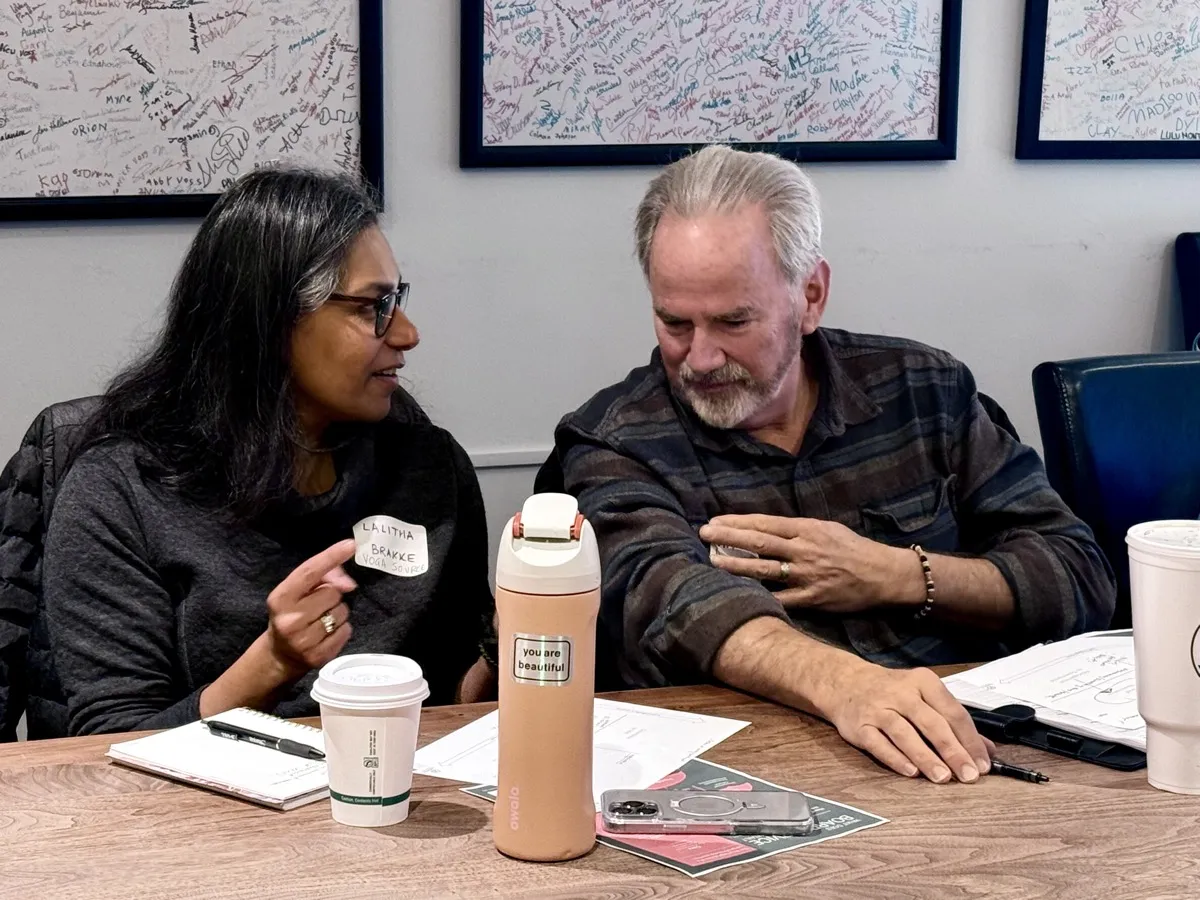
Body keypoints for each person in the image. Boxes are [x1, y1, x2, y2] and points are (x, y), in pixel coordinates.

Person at [551, 145, 1116, 785]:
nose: (701, 358)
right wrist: (846, 684)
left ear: (811, 296)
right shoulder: (616, 439)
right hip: (759, 773)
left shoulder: (923, 389)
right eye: (675, 322)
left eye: (734, 321)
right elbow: (665, 601)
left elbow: (1078, 577)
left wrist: (898, 575)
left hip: (981, 750)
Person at [44, 166, 497, 736]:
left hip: (390, 781)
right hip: (200, 794)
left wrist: (511, 640)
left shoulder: (431, 469)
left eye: (396, 300)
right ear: (269, 320)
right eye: (372, 307)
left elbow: (453, 699)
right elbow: (113, 742)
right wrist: (273, 664)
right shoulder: (122, 490)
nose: (407, 333)